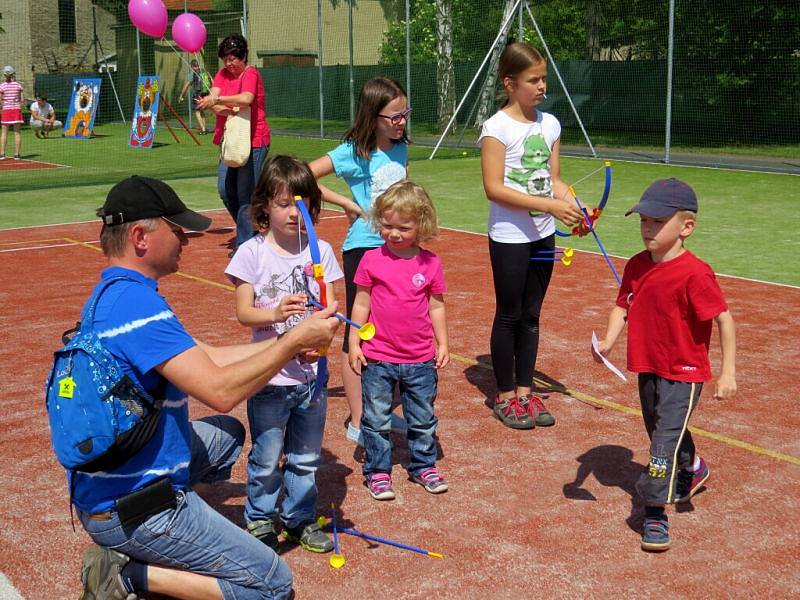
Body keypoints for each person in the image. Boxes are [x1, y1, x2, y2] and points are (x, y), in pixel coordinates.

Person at [72, 175, 339, 599]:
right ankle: (127, 574)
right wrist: (293, 340)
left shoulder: (121, 294)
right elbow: (220, 391)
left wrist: (292, 345)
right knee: (274, 585)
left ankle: (166, 535)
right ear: (141, 236)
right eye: (178, 231)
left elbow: (210, 355)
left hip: (112, 481)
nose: (187, 240)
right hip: (129, 504)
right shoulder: (136, 307)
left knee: (229, 435)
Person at [592, 178, 737, 552]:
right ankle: (694, 467)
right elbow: (623, 305)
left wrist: (728, 372)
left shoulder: (695, 273)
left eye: (657, 222)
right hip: (649, 367)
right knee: (660, 429)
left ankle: (654, 510)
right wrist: (608, 341)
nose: (647, 229)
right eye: (644, 221)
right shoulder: (637, 265)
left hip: (684, 373)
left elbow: (723, 319)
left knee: (661, 443)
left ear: (686, 227)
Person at [225, 156, 343, 554]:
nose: (295, 212)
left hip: (312, 379)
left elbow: (332, 310)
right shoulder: (252, 253)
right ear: (264, 208)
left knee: (306, 458)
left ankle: (298, 519)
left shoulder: (322, 250)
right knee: (266, 457)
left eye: (302, 202)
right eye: (283, 203)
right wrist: (275, 313)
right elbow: (244, 313)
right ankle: (259, 519)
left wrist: (321, 342)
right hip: (269, 379)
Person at [479, 42, 584, 430]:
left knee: (532, 315)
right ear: (510, 83)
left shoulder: (550, 124)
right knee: (509, 314)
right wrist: (549, 207)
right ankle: (505, 396)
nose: (541, 86)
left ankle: (526, 392)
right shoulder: (496, 128)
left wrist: (577, 206)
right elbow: (494, 188)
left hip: (543, 235)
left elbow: (553, 180)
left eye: (544, 79)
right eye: (533, 80)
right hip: (509, 235)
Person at [310, 76, 411, 445]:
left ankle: (381, 411)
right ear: (373, 115)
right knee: (359, 332)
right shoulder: (352, 151)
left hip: (398, 249)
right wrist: (348, 204)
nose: (401, 122)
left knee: (391, 332)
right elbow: (303, 176)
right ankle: (358, 421)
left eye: (405, 114)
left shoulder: (401, 148)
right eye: (394, 116)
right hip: (364, 251)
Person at [348, 181, 449, 500]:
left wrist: (442, 343)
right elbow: (360, 303)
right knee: (376, 419)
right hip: (378, 358)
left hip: (420, 359)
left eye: (403, 228)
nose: (393, 233)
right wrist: (353, 342)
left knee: (422, 417)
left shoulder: (430, 263)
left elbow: (436, 305)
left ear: (421, 225)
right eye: (387, 225)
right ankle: (378, 471)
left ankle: (423, 465)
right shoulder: (371, 260)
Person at [196, 34, 271, 252]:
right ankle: (254, 227)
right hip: (230, 140)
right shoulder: (222, 75)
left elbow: (247, 98)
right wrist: (213, 102)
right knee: (225, 190)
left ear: (243, 56)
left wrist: (218, 101)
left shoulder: (251, 74)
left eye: (233, 59)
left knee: (245, 194)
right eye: (226, 59)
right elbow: (215, 104)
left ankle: (245, 245)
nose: (229, 64)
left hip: (254, 140)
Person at [178, 59, 212, 135]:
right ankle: (204, 127)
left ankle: (203, 130)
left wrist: (181, 95)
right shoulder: (205, 71)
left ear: (192, 66)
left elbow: (186, 85)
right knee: (201, 110)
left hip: (197, 94)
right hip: (205, 93)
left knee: (197, 111)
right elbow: (212, 80)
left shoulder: (193, 74)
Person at [0, 65, 24, 160]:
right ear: (13, 73)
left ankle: (2, 154)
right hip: (16, 110)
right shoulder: (18, 85)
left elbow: (0, 100)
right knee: (17, 133)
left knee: (4, 133)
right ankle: (17, 154)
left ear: (4, 74)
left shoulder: (2, 86)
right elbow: (22, 99)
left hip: (6, 110)